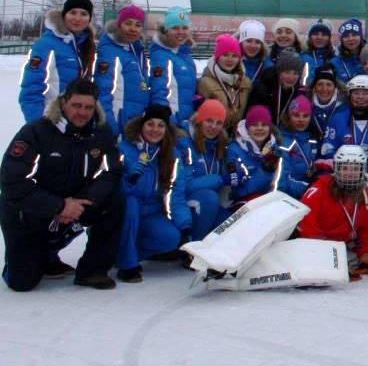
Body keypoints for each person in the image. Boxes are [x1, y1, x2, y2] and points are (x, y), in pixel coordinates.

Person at [2, 79, 124, 291]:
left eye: (88, 107)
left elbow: (111, 171)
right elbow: (12, 181)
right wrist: (58, 206)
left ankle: (92, 271)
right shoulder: (36, 132)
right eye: (76, 105)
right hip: (30, 211)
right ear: (63, 102)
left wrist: (85, 199)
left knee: (115, 202)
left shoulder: (101, 133)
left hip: (75, 203)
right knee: (22, 283)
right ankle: (37, 255)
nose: (82, 113)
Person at [114, 105, 191, 283]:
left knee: (170, 237)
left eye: (160, 125)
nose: (155, 130)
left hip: (151, 212)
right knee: (130, 204)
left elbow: (174, 193)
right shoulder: (124, 149)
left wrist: (184, 225)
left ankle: (121, 254)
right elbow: (112, 187)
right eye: (150, 124)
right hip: (124, 211)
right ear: (142, 125)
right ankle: (127, 265)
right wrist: (129, 179)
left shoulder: (171, 155)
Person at [298, 145, 368, 278]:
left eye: (355, 169)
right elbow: (306, 224)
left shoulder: (367, 194)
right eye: (344, 168)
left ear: (362, 170)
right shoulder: (319, 188)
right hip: (316, 247)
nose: (350, 173)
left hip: (344, 247)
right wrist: (328, 256)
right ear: (336, 169)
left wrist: (365, 254)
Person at [21, 0, 97, 123]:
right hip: (51, 120)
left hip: (76, 119)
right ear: (64, 15)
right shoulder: (46, 45)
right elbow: (31, 90)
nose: (77, 18)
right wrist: (39, 124)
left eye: (84, 14)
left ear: (89, 19)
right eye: (73, 12)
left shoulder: (86, 45)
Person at [95, 5, 151, 135]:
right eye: (128, 23)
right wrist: (111, 130)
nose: (133, 29)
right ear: (119, 25)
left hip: (134, 127)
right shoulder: (110, 51)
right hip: (118, 127)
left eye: (138, 25)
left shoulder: (136, 51)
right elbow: (104, 93)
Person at [224, 106, 290, 211]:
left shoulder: (274, 148)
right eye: (254, 125)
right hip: (240, 206)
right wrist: (265, 172)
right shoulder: (234, 150)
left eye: (264, 125)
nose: (259, 128)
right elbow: (237, 192)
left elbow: (284, 180)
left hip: (270, 201)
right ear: (247, 127)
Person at [321, 75, 368, 170]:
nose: (360, 97)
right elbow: (327, 150)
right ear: (350, 95)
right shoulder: (337, 120)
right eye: (356, 93)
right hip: (343, 176)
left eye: (365, 93)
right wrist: (346, 166)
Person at [183, 100, 231, 228]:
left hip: (211, 201)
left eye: (219, 123)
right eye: (209, 121)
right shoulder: (185, 143)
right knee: (209, 198)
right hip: (185, 201)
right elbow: (186, 185)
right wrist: (221, 179)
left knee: (230, 224)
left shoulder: (220, 145)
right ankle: (195, 244)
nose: (213, 127)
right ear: (199, 121)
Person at [148, 6, 198, 127]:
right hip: (172, 124)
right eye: (175, 28)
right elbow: (160, 92)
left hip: (185, 123)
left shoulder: (185, 55)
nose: (181, 32)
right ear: (165, 31)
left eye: (184, 28)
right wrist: (169, 124)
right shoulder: (161, 56)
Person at [196, 33, 252, 131]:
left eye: (234, 56)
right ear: (217, 57)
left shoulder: (246, 82)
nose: (230, 59)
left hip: (236, 135)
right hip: (214, 133)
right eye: (225, 55)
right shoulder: (204, 83)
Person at [278, 96, 318, 198]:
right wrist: (310, 188)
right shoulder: (283, 143)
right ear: (288, 116)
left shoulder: (311, 139)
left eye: (305, 116)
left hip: (307, 194)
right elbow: (281, 182)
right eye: (296, 115)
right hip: (288, 198)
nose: (301, 120)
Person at [247, 50, 304, 121]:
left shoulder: (296, 92)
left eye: (295, 73)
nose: (291, 77)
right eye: (287, 72)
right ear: (279, 72)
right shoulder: (262, 90)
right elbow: (254, 119)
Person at [308, 65, 345, 147]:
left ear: (335, 88)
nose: (324, 89)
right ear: (314, 87)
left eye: (329, 85)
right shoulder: (306, 105)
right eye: (320, 84)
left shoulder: (344, 107)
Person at [301, 19, 336, 84]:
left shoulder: (335, 59)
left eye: (324, 34)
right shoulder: (302, 57)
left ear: (329, 38)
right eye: (315, 34)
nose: (319, 37)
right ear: (310, 37)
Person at [332, 18, 366, 82]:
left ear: (361, 37)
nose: (350, 39)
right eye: (346, 36)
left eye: (354, 35)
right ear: (341, 40)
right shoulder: (334, 63)